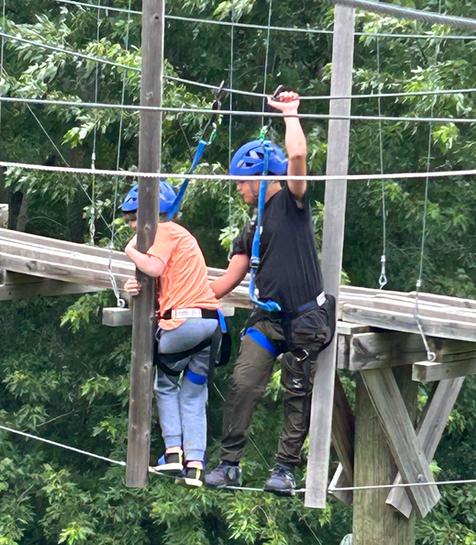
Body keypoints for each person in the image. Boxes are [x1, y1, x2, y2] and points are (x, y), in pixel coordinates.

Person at [205, 90, 332, 495]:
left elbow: (297, 158)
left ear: (261, 177)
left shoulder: (292, 203)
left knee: (295, 392)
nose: (239, 188)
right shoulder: (252, 227)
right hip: (267, 319)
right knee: (243, 383)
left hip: (305, 319)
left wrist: (290, 115)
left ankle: (284, 470)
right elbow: (223, 283)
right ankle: (230, 464)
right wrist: (166, 291)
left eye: (242, 180)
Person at [123, 181, 223, 488]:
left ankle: (173, 452)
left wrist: (129, 251)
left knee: (165, 384)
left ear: (148, 217)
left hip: (183, 325)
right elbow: (161, 282)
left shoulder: (165, 231)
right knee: (194, 394)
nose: (132, 228)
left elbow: (153, 268)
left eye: (132, 221)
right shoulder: (183, 237)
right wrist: (132, 291)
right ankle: (195, 466)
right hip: (210, 326)